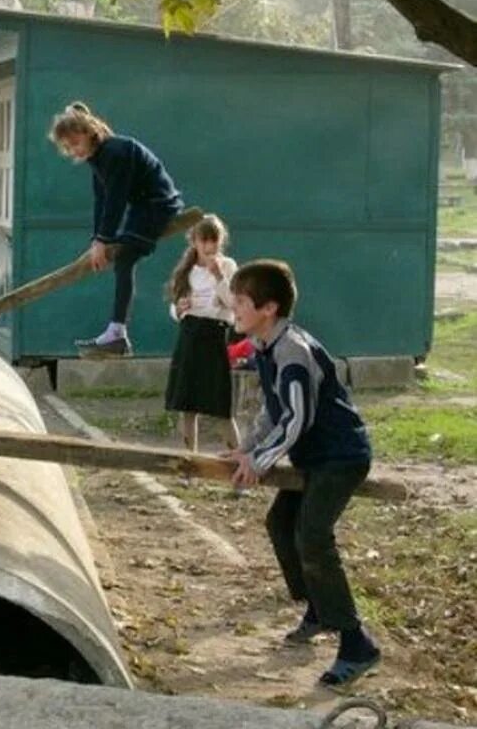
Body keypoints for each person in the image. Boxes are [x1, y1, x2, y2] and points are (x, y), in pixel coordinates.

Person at [226, 259, 380, 687]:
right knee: (281, 522)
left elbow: (297, 419)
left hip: (340, 457)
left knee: (312, 535)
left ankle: (356, 643)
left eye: (240, 302)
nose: (232, 309)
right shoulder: (264, 347)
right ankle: (317, 608)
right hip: (313, 458)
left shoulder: (292, 350)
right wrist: (247, 447)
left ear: (268, 308)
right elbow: (271, 411)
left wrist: (259, 462)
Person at [48, 101, 185, 356]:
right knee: (122, 255)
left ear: (90, 134)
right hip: (142, 206)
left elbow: (116, 199)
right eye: (68, 148)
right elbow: (101, 199)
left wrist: (104, 241)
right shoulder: (97, 158)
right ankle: (116, 333)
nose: (73, 151)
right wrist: (97, 240)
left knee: (125, 257)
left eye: (75, 143)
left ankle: (117, 333)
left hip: (158, 204)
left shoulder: (115, 152)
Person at [164, 214, 240, 454]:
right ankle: (190, 464)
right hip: (189, 335)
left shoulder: (227, 266)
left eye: (214, 240)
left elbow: (233, 303)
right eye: (204, 240)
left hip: (215, 335)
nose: (210, 246)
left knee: (221, 408)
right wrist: (178, 309)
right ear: (194, 241)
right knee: (187, 407)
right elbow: (175, 306)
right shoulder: (186, 270)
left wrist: (219, 276)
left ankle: (238, 465)